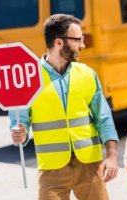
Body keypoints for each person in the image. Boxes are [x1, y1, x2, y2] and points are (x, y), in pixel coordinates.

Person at [9, 14, 119, 200]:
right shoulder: (29, 77)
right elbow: (20, 122)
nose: (82, 45)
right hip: (52, 169)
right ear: (59, 42)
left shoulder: (87, 74)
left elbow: (104, 118)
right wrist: (19, 133)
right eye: (78, 40)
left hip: (89, 165)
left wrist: (112, 155)